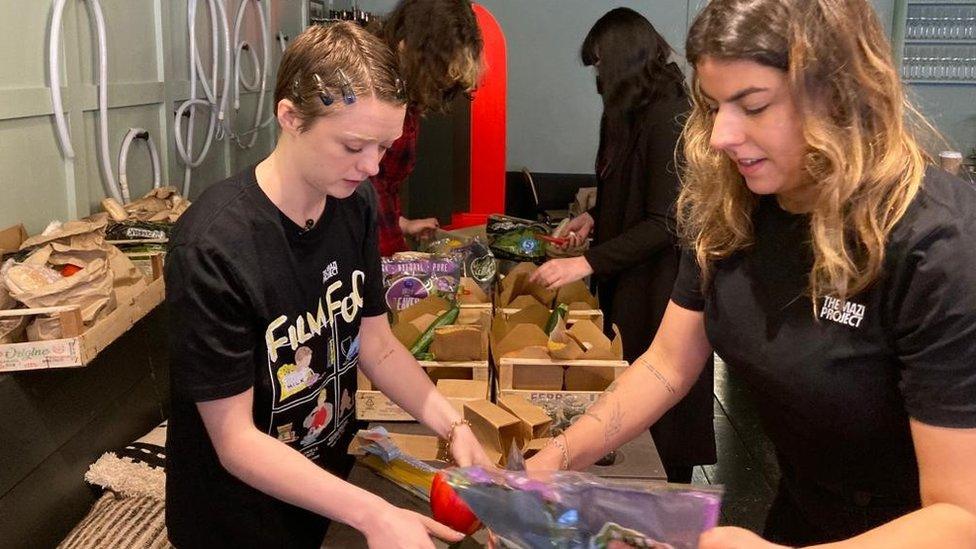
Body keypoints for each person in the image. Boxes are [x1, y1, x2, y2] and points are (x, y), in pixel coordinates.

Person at [528, 0, 976, 547]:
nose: (721, 135)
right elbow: (667, 365)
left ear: (840, 94)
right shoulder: (729, 209)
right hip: (803, 516)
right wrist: (553, 459)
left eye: (754, 105)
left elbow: (960, 515)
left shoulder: (939, 246)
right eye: (714, 106)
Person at [164, 22, 491, 549]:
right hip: (237, 520)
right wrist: (376, 514)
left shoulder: (354, 203)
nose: (371, 166)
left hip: (325, 495)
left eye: (384, 146)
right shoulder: (212, 248)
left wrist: (453, 425)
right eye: (353, 145)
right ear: (290, 117)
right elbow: (236, 441)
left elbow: (377, 345)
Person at [528, 7, 715, 483]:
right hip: (629, 278)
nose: (596, 77)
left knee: (659, 412)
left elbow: (665, 221)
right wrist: (596, 215)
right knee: (625, 397)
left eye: (599, 65)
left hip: (660, 288)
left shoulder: (670, 113)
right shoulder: (628, 111)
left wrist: (584, 264)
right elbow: (626, 190)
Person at [370, 0, 483, 256]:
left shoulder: (406, 93)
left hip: (385, 243)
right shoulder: (371, 88)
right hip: (362, 251)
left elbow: (381, 186)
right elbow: (360, 188)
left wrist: (404, 225)